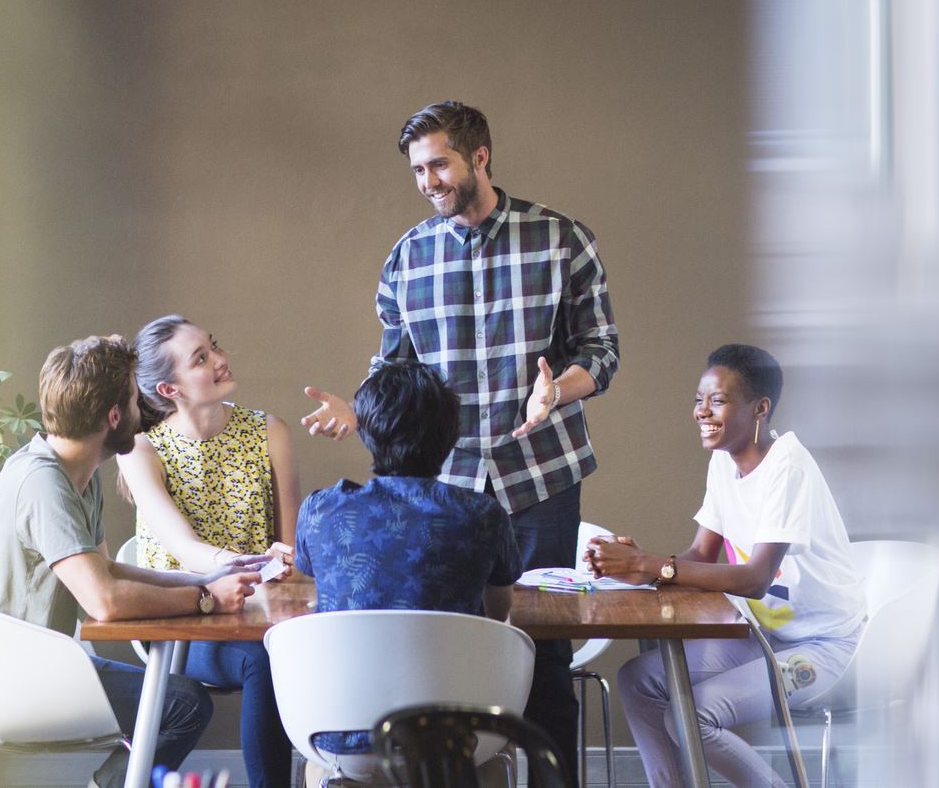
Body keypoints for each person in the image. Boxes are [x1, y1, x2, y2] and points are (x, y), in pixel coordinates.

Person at [301, 99, 619, 785]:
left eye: (439, 165)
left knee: (546, 655)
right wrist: (357, 408)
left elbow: (602, 350)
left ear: (480, 156)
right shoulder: (407, 257)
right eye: (418, 170)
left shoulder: (561, 238)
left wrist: (558, 390)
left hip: (541, 477)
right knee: (444, 654)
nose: (428, 181)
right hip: (444, 487)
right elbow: (393, 367)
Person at [0, 335, 264, 788]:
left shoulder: (78, 472)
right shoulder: (43, 484)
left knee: (179, 699)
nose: (144, 409)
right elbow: (104, 602)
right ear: (114, 417)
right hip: (8, 683)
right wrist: (206, 600)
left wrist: (204, 579)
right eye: (136, 400)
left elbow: (109, 571)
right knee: (183, 705)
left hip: (41, 663)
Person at [588, 344, 865, 788]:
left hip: (822, 646)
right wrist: (637, 568)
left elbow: (755, 579)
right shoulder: (723, 461)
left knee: (692, 716)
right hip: (764, 635)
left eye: (716, 401)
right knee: (638, 681)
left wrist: (652, 565)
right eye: (699, 400)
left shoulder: (787, 467)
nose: (702, 411)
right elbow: (701, 555)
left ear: (760, 408)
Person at [291, 359, 523, 772]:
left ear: (365, 431)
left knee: (317, 769)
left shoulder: (320, 511)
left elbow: (313, 580)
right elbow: (499, 612)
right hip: (456, 739)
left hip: (341, 738)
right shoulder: (484, 515)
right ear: (451, 437)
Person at [115, 315, 301, 788]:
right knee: (263, 659)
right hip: (179, 621)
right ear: (170, 389)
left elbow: (292, 547)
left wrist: (285, 562)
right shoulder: (141, 450)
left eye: (213, 347)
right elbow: (183, 548)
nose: (220, 359)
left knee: (293, 646)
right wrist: (245, 566)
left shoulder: (269, 432)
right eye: (201, 358)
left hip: (257, 616)